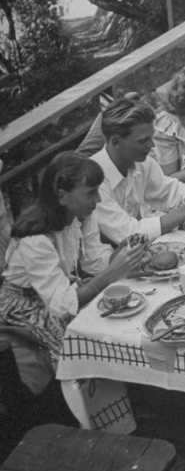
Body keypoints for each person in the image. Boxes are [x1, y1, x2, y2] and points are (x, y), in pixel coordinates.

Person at [0, 151, 145, 376]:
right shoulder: (36, 239)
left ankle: (128, 380)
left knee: (127, 308)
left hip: (62, 289)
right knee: (78, 339)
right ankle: (80, 396)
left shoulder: (80, 214)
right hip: (24, 303)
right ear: (61, 195)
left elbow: (94, 261)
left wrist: (124, 252)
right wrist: (111, 274)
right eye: (91, 193)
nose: (98, 200)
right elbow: (62, 305)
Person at [91, 98, 185, 245]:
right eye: (143, 141)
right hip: (107, 259)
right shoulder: (92, 179)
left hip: (133, 249)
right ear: (115, 141)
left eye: (151, 138)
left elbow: (169, 191)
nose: (151, 145)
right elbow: (128, 233)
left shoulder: (141, 162)